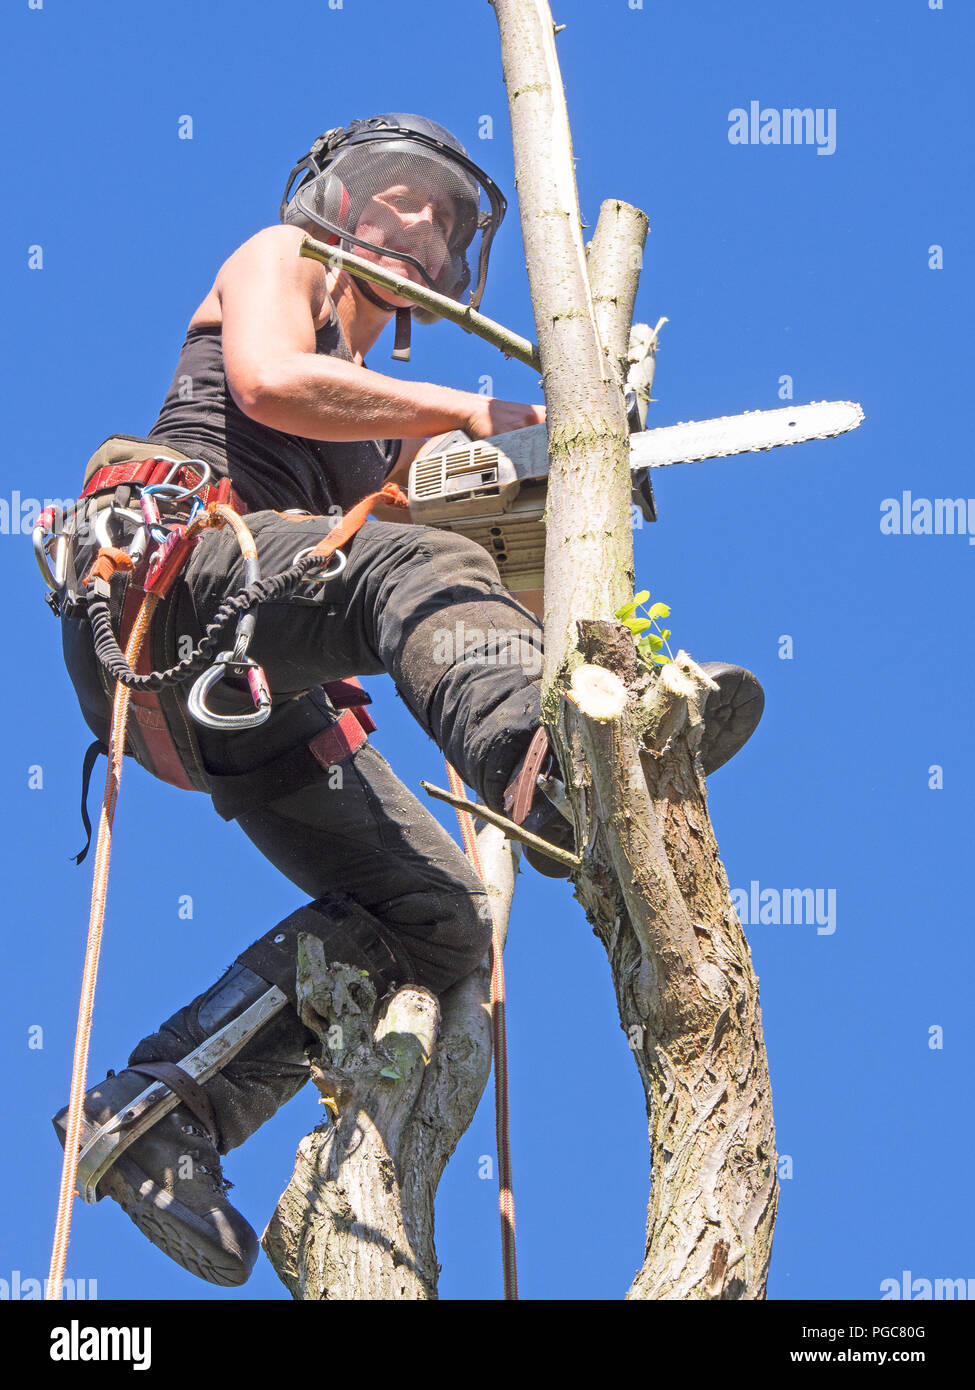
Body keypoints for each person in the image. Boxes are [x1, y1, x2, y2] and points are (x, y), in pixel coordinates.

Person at [53, 114, 764, 1287]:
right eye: (399, 200)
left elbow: (449, 589)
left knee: (440, 922)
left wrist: (563, 497)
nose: (417, 227)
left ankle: (164, 1112)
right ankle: (547, 763)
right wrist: (469, 413)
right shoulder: (279, 268)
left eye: (443, 222)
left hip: (248, 688)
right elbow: (273, 381)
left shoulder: (381, 432)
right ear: (338, 199)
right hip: (170, 589)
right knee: (409, 567)